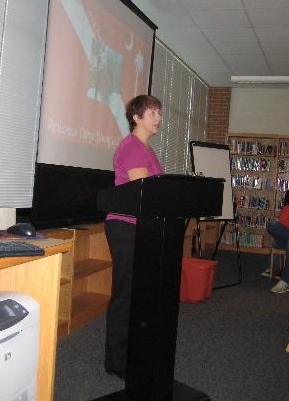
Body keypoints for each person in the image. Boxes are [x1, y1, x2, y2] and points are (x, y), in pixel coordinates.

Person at [104, 94, 164, 379]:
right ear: (136, 118)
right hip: (125, 227)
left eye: (159, 114)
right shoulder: (132, 147)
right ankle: (117, 362)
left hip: (142, 228)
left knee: (140, 294)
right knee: (126, 295)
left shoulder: (148, 150)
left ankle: (134, 354)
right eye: (152, 114)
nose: (158, 119)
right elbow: (145, 193)